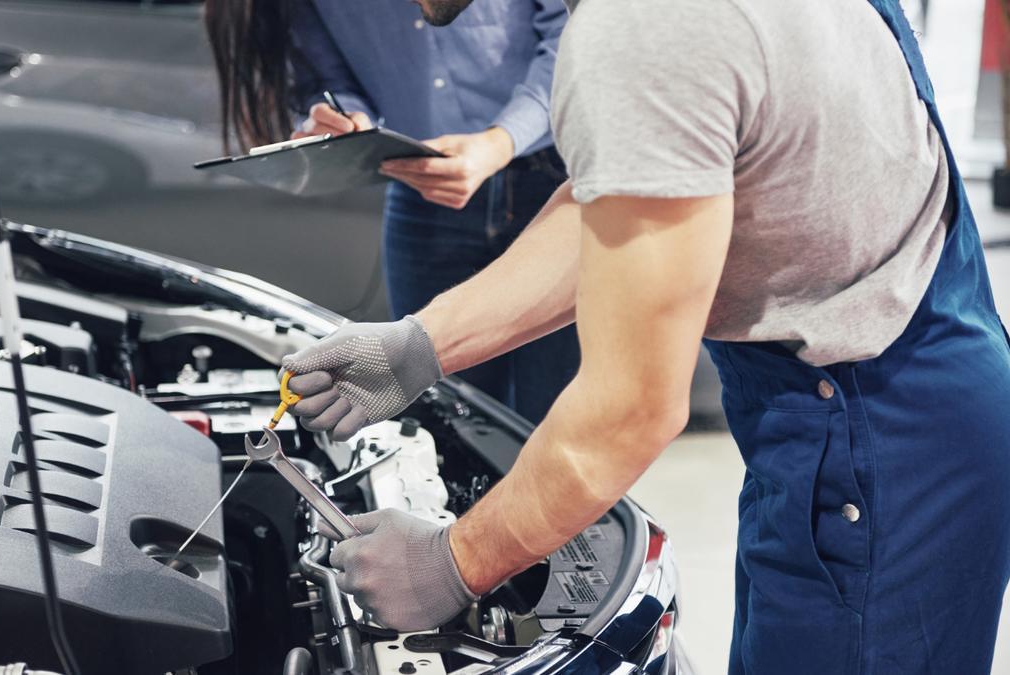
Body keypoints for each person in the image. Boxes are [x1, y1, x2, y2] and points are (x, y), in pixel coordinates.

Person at [281, 0, 1010, 672]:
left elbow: (630, 407)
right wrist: (422, 345)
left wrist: (451, 562)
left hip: (876, 447)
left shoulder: (642, 26)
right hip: (894, 403)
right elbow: (637, 193)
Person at [202, 0, 578, 424]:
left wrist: (501, 140)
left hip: (553, 175)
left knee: (559, 409)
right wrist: (343, 115)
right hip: (422, 193)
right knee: (448, 418)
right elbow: (326, 77)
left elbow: (571, 36)